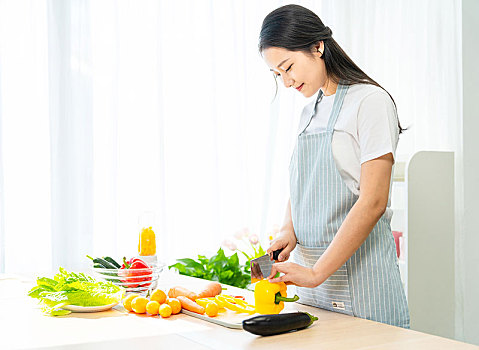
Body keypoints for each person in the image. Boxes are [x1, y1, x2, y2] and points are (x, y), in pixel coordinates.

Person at [260, 4, 409, 328]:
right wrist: (290, 229)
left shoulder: (369, 102)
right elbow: (303, 185)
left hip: (362, 286)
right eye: (278, 74)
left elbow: (373, 201)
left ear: (317, 46)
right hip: (314, 292)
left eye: (288, 67)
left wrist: (316, 272)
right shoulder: (308, 112)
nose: (286, 82)